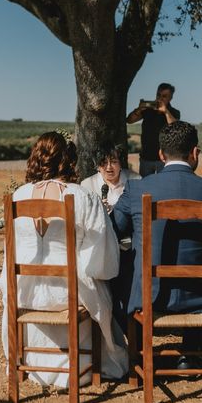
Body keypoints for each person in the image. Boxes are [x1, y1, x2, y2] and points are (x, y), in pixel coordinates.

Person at [0, 131, 128, 387]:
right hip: (70, 295)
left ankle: (30, 363)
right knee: (99, 283)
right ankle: (85, 362)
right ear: (68, 160)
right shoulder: (82, 196)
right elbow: (101, 257)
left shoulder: (17, 196)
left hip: (24, 292)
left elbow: (9, 254)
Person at [111, 121, 202, 370]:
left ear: (160, 154)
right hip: (200, 296)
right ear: (195, 152)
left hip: (147, 296)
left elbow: (111, 232)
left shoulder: (136, 190)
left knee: (117, 276)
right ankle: (191, 353)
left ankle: (140, 349)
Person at [81, 141, 141, 332]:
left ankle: (128, 323)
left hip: (127, 246)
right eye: (103, 163)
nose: (108, 167)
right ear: (97, 165)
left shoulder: (136, 180)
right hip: (99, 246)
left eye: (113, 161)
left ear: (121, 163)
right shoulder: (87, 184)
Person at [126, 82, 180, 177]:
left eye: (164, 96)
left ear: (170, 98)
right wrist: (139, 109)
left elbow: (175, 127)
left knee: (163, 187)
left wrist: (166, 112)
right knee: (146, 187)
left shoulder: (174, 112)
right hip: (146, 158)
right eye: (158, 95)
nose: (160, 98)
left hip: (164, 159)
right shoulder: (148, 110)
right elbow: (129, 120)